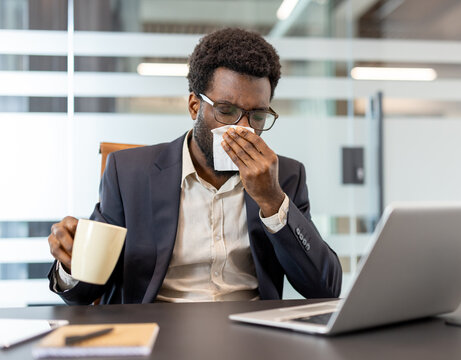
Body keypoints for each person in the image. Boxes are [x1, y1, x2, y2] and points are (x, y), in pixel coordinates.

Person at [47, 28, 342, 305]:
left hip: (251, 335)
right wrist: (73, 264)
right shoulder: (129, 174)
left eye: (258, 115)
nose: (242, 128)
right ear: (194, 106)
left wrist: (272, 200)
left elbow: (324, 289)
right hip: (158, 333)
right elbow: (84, 293)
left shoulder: (284, 176)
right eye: (226, 111)